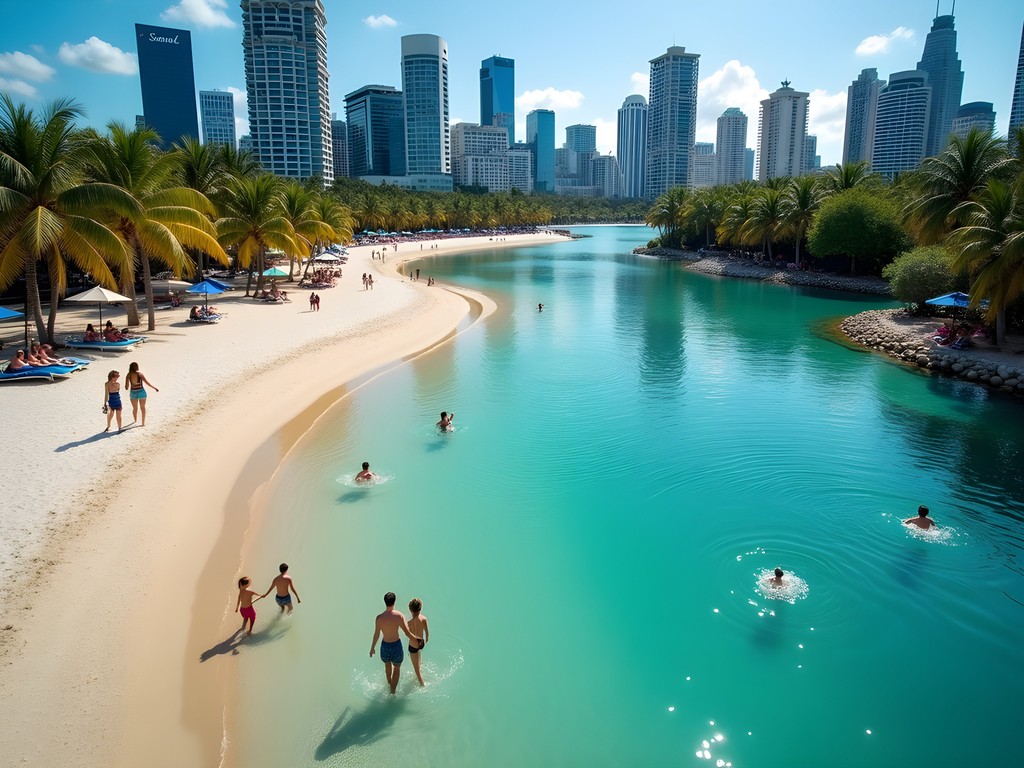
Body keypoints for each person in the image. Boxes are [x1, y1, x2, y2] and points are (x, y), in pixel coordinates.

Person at [369, 592, 421, 694]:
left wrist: (372, 648)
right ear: (394, 602)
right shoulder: (399, 616)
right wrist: (416, 639)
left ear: (385, 602)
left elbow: (376, 635)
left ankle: (390, 685)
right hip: (396, 645)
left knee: (387, 665)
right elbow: (407, 633)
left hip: (385, 646)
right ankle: (393, 692)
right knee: (397, 668)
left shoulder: (379, 618)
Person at [125, 361, 158, 426]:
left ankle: (135, 421)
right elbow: (147, 383)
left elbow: (126, 386)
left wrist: (127, 385)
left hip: (133, 393)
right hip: (141, 392)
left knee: (135, 408)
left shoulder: (128, 375)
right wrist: (154, 388)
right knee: (142, 407)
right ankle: (143, 423)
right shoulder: (140, 374)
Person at [407, 598, 430, 687]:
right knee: (418, 657)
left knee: (416, 669)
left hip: (413, 646)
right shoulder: (424, 619)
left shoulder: (409, 623)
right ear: (420, 608)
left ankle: (422, 685)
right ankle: (419, 668)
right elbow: (427, 632)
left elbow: (408, 635)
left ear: (410, 610)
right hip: (421, 643)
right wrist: (427, 638)